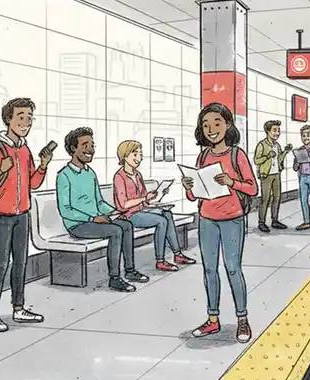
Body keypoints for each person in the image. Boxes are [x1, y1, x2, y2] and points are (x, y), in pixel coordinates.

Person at [0, 98, 53, 332]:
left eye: (29, 117)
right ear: (8, 119)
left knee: (21, 263)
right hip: (1, 216)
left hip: (22, 214)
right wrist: (0, 169)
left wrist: (43, 165)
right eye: (21, 117)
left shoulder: (25, 149)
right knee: (0, 265)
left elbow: (33, 184)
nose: (26, 122)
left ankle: (19, 308)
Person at [183, 103, 258, 341]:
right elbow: (195, 194)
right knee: (209, 269)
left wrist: (231, 181)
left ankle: (242, 320)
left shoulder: (237, 155)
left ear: (227, 125)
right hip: (207, 218)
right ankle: (212, 319)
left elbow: (253, 188)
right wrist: (189, 189)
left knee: (233, 268)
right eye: (205, 125)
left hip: (232, 219)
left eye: (216, 123)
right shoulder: (203, 155)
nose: (211, 129)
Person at [57, 127, 148, 293]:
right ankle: (114, 278)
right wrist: (93, 219)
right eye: (85, 145)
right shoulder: (64, 176)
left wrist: (115, 212)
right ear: (73, 148)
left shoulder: (90, 173)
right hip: (78, 225)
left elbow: (99, 202)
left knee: (126, 225)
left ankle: (129, 270)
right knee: (115, 231)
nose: (90, 149)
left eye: (92, 144)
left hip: (95, 221)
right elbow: (65, 210)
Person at [112, 140, 196, 272]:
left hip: (142, 210)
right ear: (124, 155)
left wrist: (158, 195)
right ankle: (160, 261)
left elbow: (144, 201)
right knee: (161, 221)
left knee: (167, 214)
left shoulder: (137, 175)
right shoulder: (119, 177)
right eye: (135, 154)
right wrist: (144, 199)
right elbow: (123, 205)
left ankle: (177, 254)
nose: (138, 158)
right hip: (129, 216)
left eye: (140, 154)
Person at [253, 120, 293, 233]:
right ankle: (261, 222)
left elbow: (279, 159)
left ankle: (274, 220)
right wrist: (267, 156)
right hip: (266, 175)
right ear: (268, 131)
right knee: (265, 199)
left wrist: (285, 151)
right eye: (274, 130)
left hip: (276, 174)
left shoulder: (277, 145)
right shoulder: (262, 145)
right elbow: (256, 160)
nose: (277, 133)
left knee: (277, 197)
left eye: (278, 130)